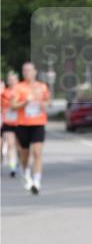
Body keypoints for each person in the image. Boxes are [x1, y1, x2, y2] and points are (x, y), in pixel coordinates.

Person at [12, 62, 50, 195]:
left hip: (38, 123)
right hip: (22, 124)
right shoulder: (18, 87)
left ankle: (37, 181)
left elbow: (48, 102)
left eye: (29, 70)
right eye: (25, 71)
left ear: (35, 72)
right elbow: (13, 106)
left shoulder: (42, 87)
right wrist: (25, 102)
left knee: (37, 153)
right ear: (23, 73)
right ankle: (26, 173)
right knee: (25, 154)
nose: (27, 73)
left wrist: (42, 103)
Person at [1, 71, 20, 177]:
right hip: (8, 123)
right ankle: (12, 167)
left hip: (21, 123)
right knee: (10, 144)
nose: (12, 81)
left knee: (20, 147)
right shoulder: (4, 93)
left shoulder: (22, 92)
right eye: (10, 80)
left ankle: (18, 162)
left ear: (17, 81)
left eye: (13, 79)